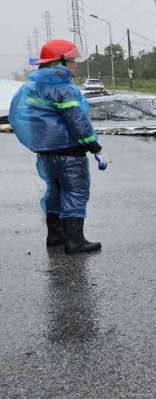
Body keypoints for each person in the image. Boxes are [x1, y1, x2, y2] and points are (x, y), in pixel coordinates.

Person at [8, 39, 102, 254]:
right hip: (69, 151)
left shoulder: (32, 87)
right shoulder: (62, 88)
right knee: (75, 193)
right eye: (73, 61)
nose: (76, 66)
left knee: (55, 191)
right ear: (61, 63)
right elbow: (76, 120)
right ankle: (76, 242)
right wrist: (93, 145)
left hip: (46, 152)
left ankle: (56, 236)